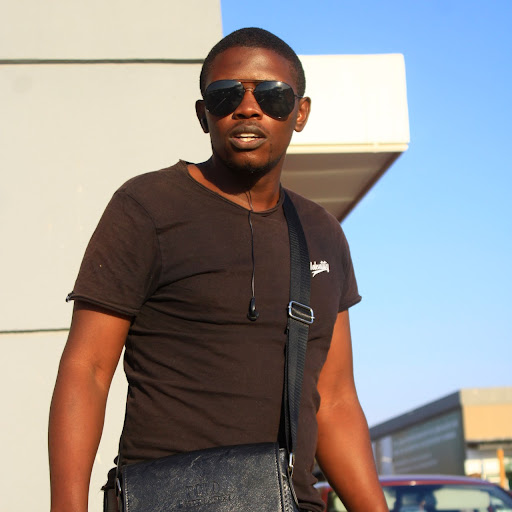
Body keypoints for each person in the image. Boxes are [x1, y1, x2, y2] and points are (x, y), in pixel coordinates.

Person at [49, 27, 388, 512]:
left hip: (288, 502)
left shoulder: (322, 232)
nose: (248, 108)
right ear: (203, 114)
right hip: (167, 500)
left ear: (300, 113)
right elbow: (88, 370)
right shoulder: (147, 207)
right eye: (226, 94)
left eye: (272, 95)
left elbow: (334, 399)